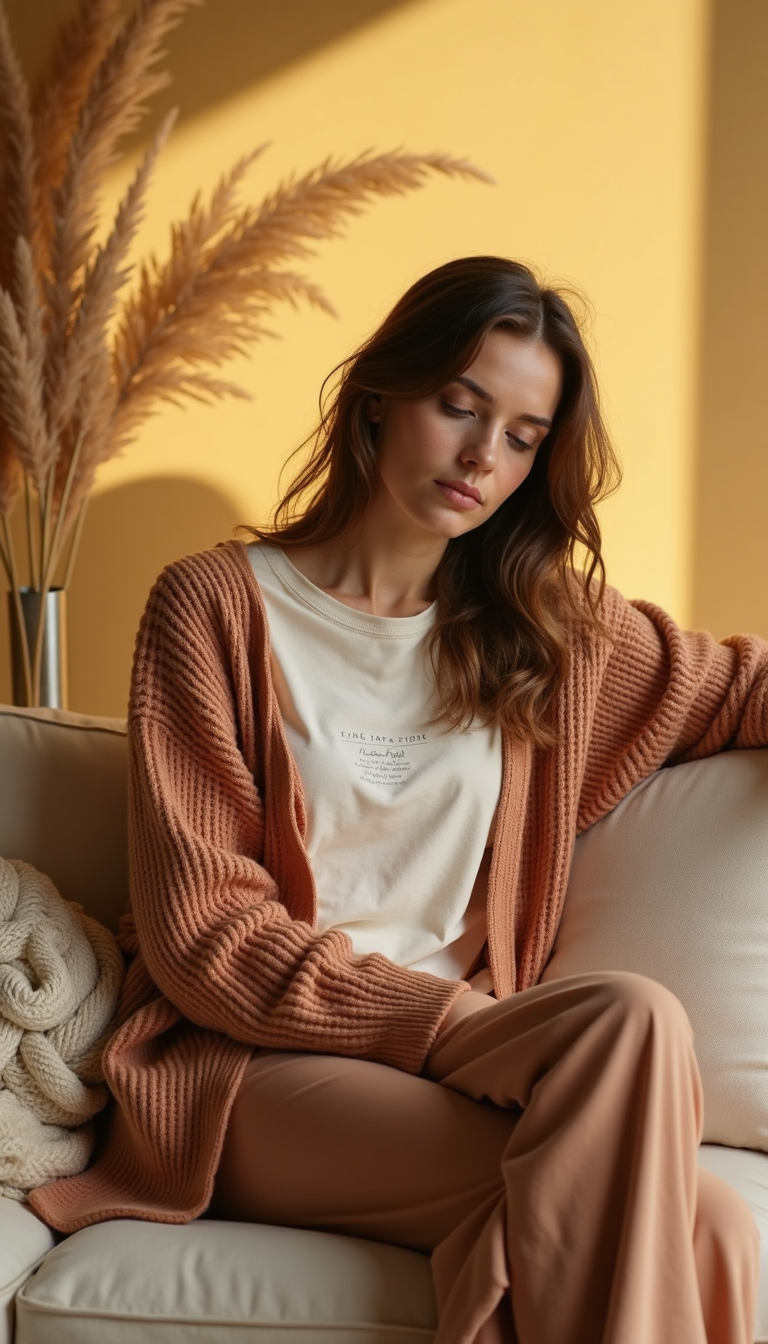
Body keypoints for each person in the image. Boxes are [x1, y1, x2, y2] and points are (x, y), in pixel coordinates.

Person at [28, 256, 768, 1344]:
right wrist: (446, 1022)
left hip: (468, 1063)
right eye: (458, 406)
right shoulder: (215, 606)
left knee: (689, 1168)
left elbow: (741, 687)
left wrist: (470, 1031)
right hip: (257, 1069)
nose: (482, 455)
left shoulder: (550, 633)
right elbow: (204, 939)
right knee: (655, 1103)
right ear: (382, 397)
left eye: (522, 435)